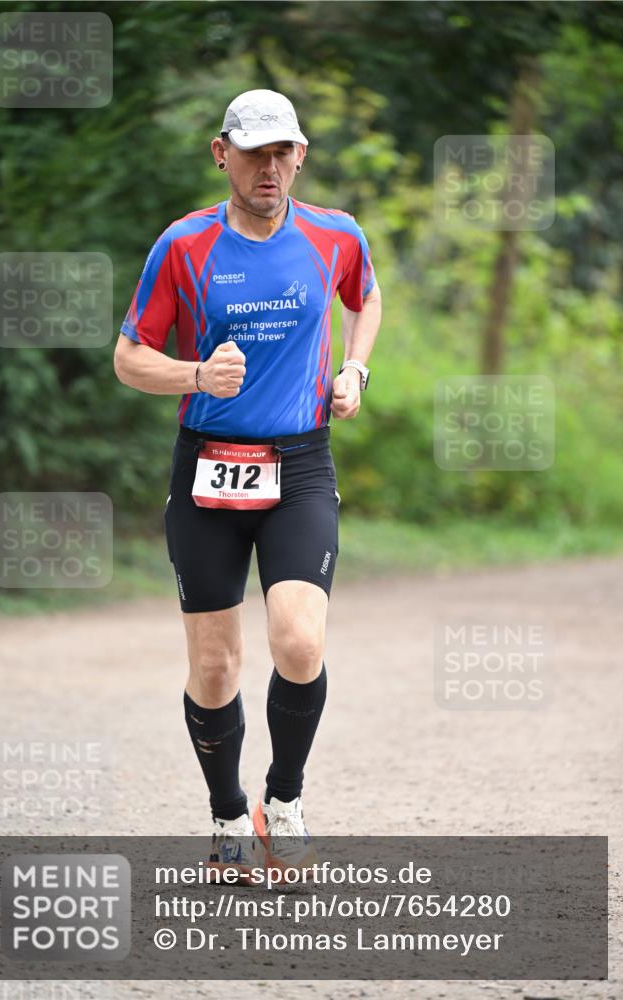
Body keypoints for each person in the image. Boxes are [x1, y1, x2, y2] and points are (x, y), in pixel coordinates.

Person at [114, 89, 381, 880]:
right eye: (253, 151)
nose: (269, 167)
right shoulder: (183, 246)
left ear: (300, 156)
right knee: (217, 666)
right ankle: (229, 814)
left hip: (299, 463)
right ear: (220, 153)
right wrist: (194, 373)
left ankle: (285, 799)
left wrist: (355, 369)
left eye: (282, 152)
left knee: (299, 641)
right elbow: (130, 357)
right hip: (207, 466)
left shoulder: (335, 235)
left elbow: (365, 297)